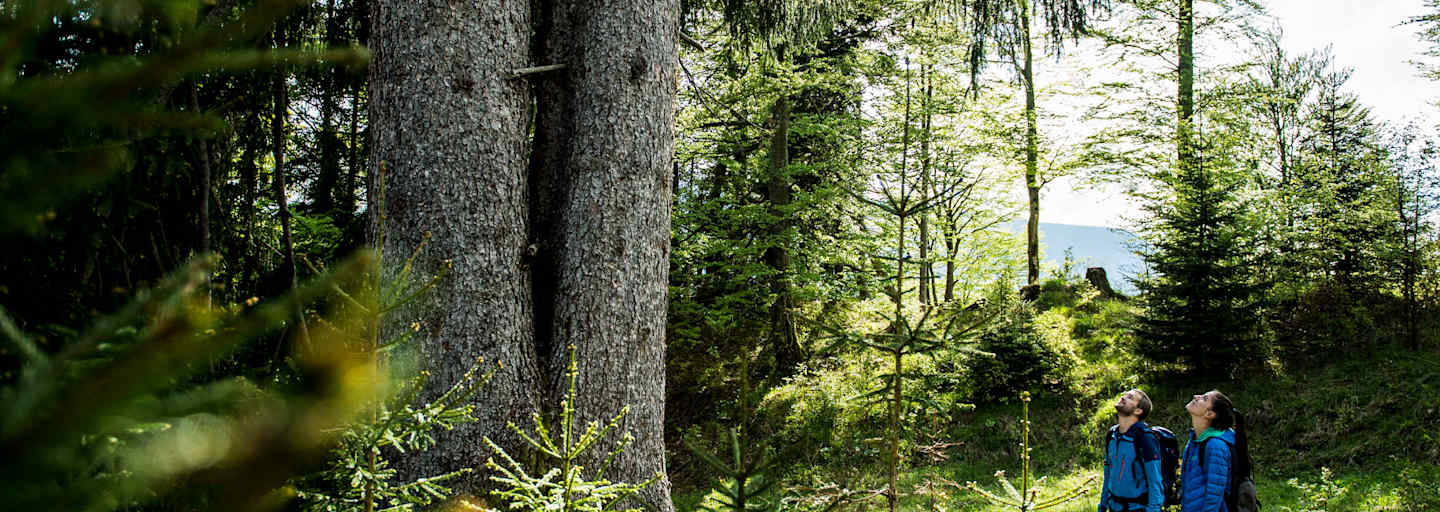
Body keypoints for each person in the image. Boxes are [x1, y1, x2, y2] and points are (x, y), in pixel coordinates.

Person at [1098, 389, 1165, 512]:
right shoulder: (1112, 435)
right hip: (1114, 507)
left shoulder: (1145, 439)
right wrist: (1102, 505)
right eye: (1124, 395)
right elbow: (1108, 474)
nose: (1123, 397)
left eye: (1130, 397)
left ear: (1138, 411)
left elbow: (1155, 481)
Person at [1181, 390, 1238, 512]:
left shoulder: (1215, 445)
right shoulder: (1195, 440)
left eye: (1204, 398)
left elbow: (1215, 492)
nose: (1196, 396)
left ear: (1210, 414)